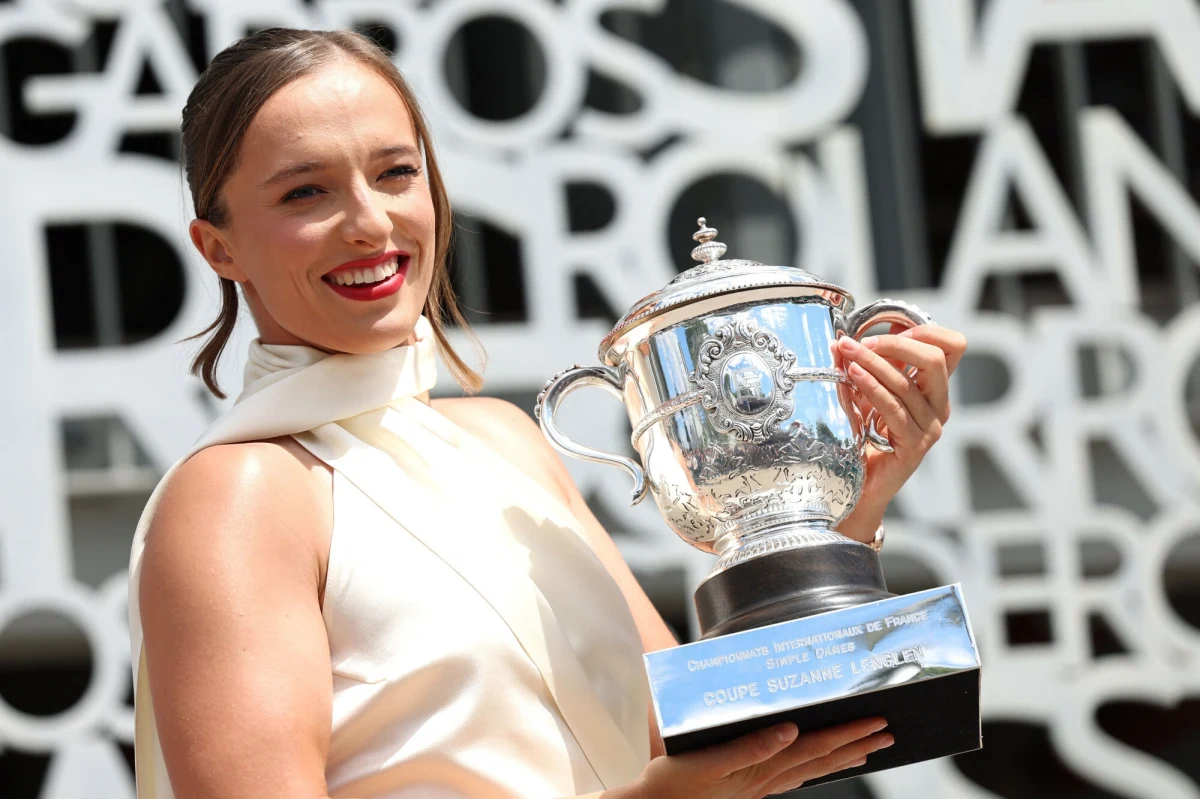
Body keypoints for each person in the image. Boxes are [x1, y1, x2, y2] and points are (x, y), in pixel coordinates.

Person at [128, 27, 968, 799]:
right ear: (218, 246)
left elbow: (713, 738)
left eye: (396, 173)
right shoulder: (236, 497)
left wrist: (838, 513)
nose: (370, 222)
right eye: (306, 192)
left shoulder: (504, 441)